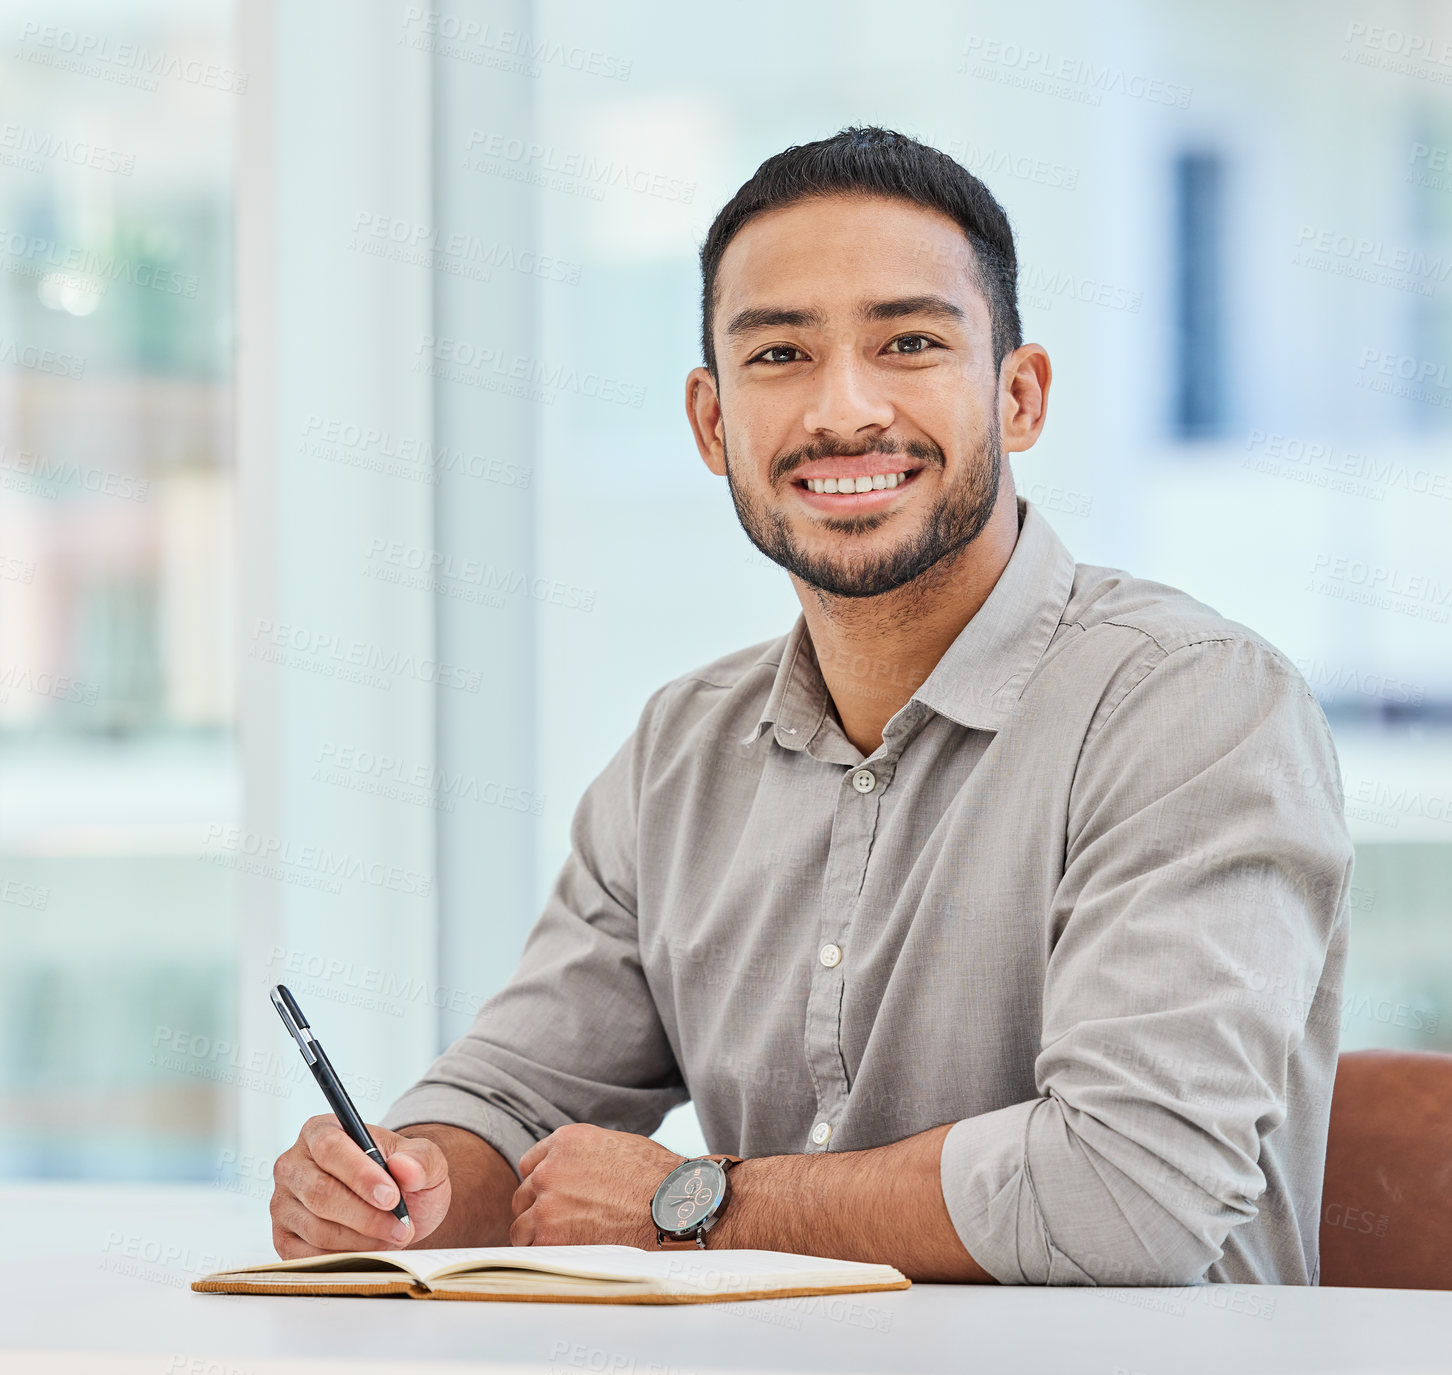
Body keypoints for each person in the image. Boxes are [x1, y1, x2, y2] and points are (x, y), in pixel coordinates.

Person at [269, 126, 1354, 1286]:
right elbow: (512, 1101)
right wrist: (401, 1189)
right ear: (712, 421)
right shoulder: (680, 751)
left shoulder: (1192, 707)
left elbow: (1128, 1195)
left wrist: (691, 1204)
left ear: (1021, 395)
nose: (844, 409)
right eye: (781, 354)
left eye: (911, 341)